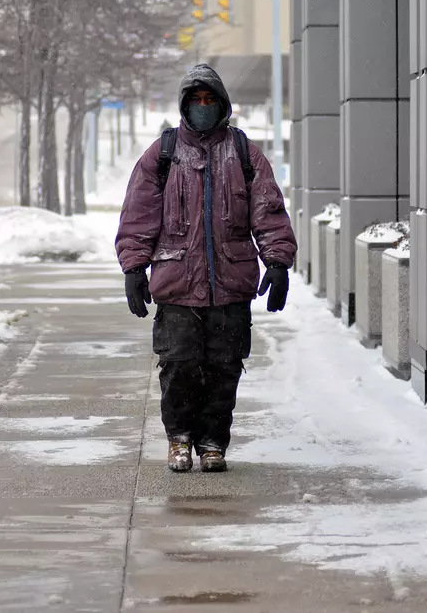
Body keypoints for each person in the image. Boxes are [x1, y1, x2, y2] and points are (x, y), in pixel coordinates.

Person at [115, 64, 297, 473]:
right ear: (183, 105)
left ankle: (213, 442)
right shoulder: (162, 154)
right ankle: (179, 439)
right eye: (195, 100)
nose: (202, 107)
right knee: (179, 366)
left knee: (224, 368)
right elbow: (138, 215)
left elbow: (268, 212)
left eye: (209, 99)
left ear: (221, 104)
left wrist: (278, 260)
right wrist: (133, 268)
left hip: (230, 283)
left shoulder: (245, 153)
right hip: (177, 283)